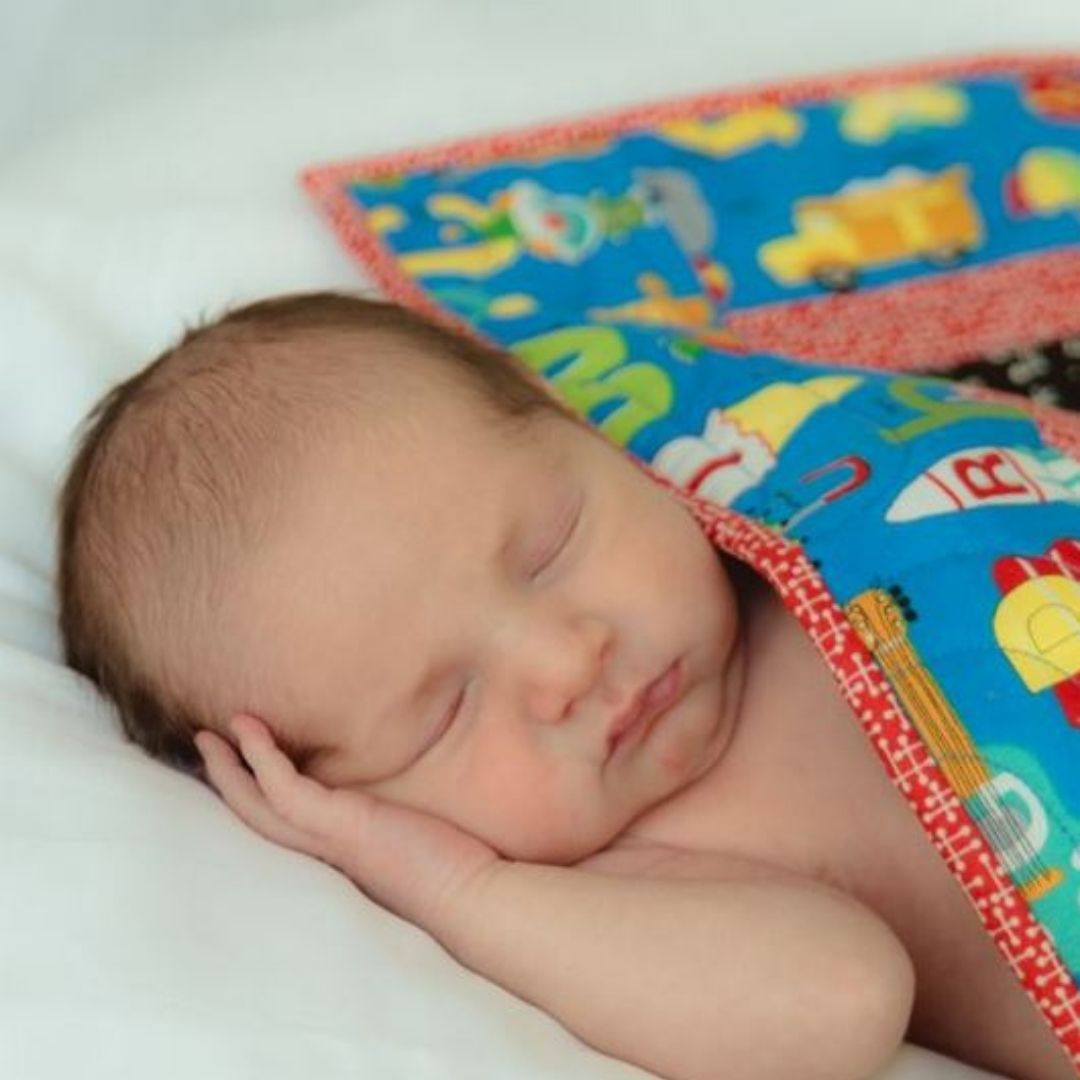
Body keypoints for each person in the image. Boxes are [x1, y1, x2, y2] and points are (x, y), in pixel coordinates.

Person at [55, 291, 1075, 1080]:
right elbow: (839, 1004)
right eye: (443, 713)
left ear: (586, 434)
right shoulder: (640, 872)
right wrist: (462, 889)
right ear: (352, 802)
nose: (565, 662)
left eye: (549, 550)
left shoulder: (780, 509)